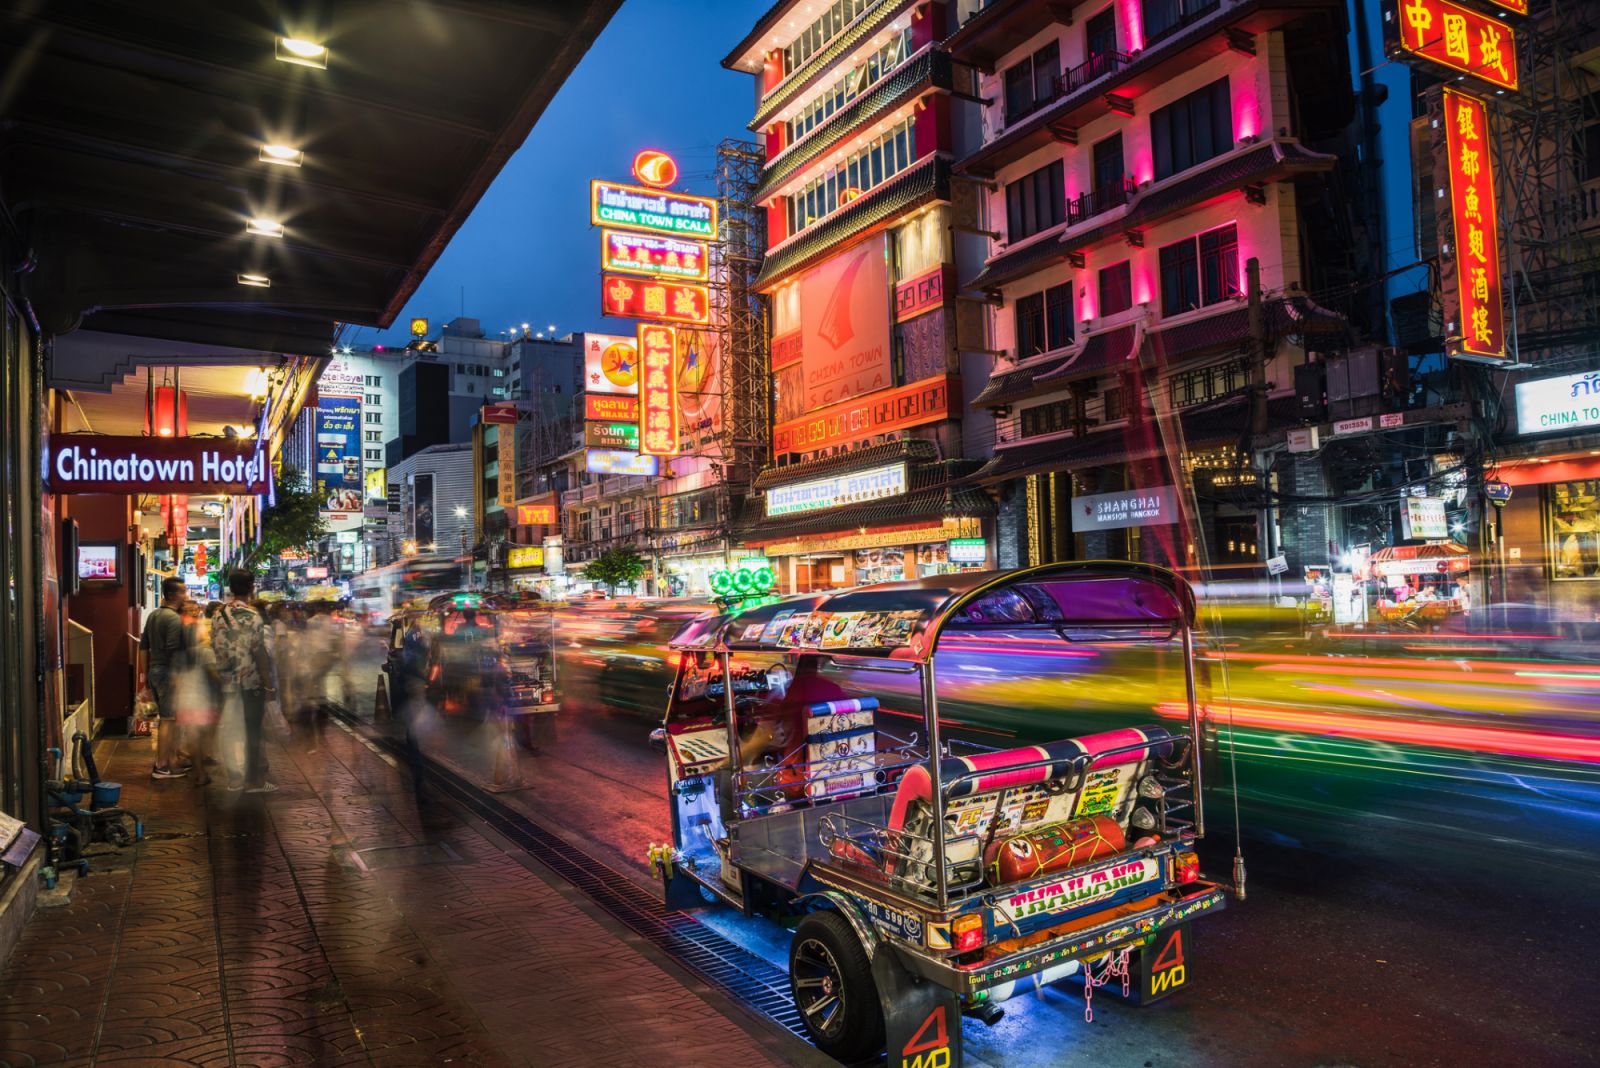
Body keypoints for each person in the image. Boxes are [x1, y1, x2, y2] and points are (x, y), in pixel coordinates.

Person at [211, 570, 277, 793]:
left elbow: (216, 648)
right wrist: (269, 684)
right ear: (251, 587)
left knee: (229, 729)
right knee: (252, 731)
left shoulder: (218, 615)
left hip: (226, 682)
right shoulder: (253, 616)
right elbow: (259, 653)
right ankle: (252, 781)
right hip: (250, 683)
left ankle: (234, 779)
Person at [138, 577, 190, 778]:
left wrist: (146, 676)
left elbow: (143, 646)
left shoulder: (153, 615)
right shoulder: (173, 619)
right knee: (168, 719)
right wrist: (177, 676)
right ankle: (161, 765)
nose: (185, 596)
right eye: (182, 592)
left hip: (155, 671)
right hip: (168, 672)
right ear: (171, 595)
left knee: (169, 718)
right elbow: (172, 650)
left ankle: (172, 759)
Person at [174, 600, 222, 786]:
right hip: (201, 698)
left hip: (188, 696)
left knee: (195, 734)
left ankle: (197, 767)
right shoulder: (205, 652)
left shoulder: (184, 652)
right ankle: (200, 769)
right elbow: (214, 676)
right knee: (201, 734)